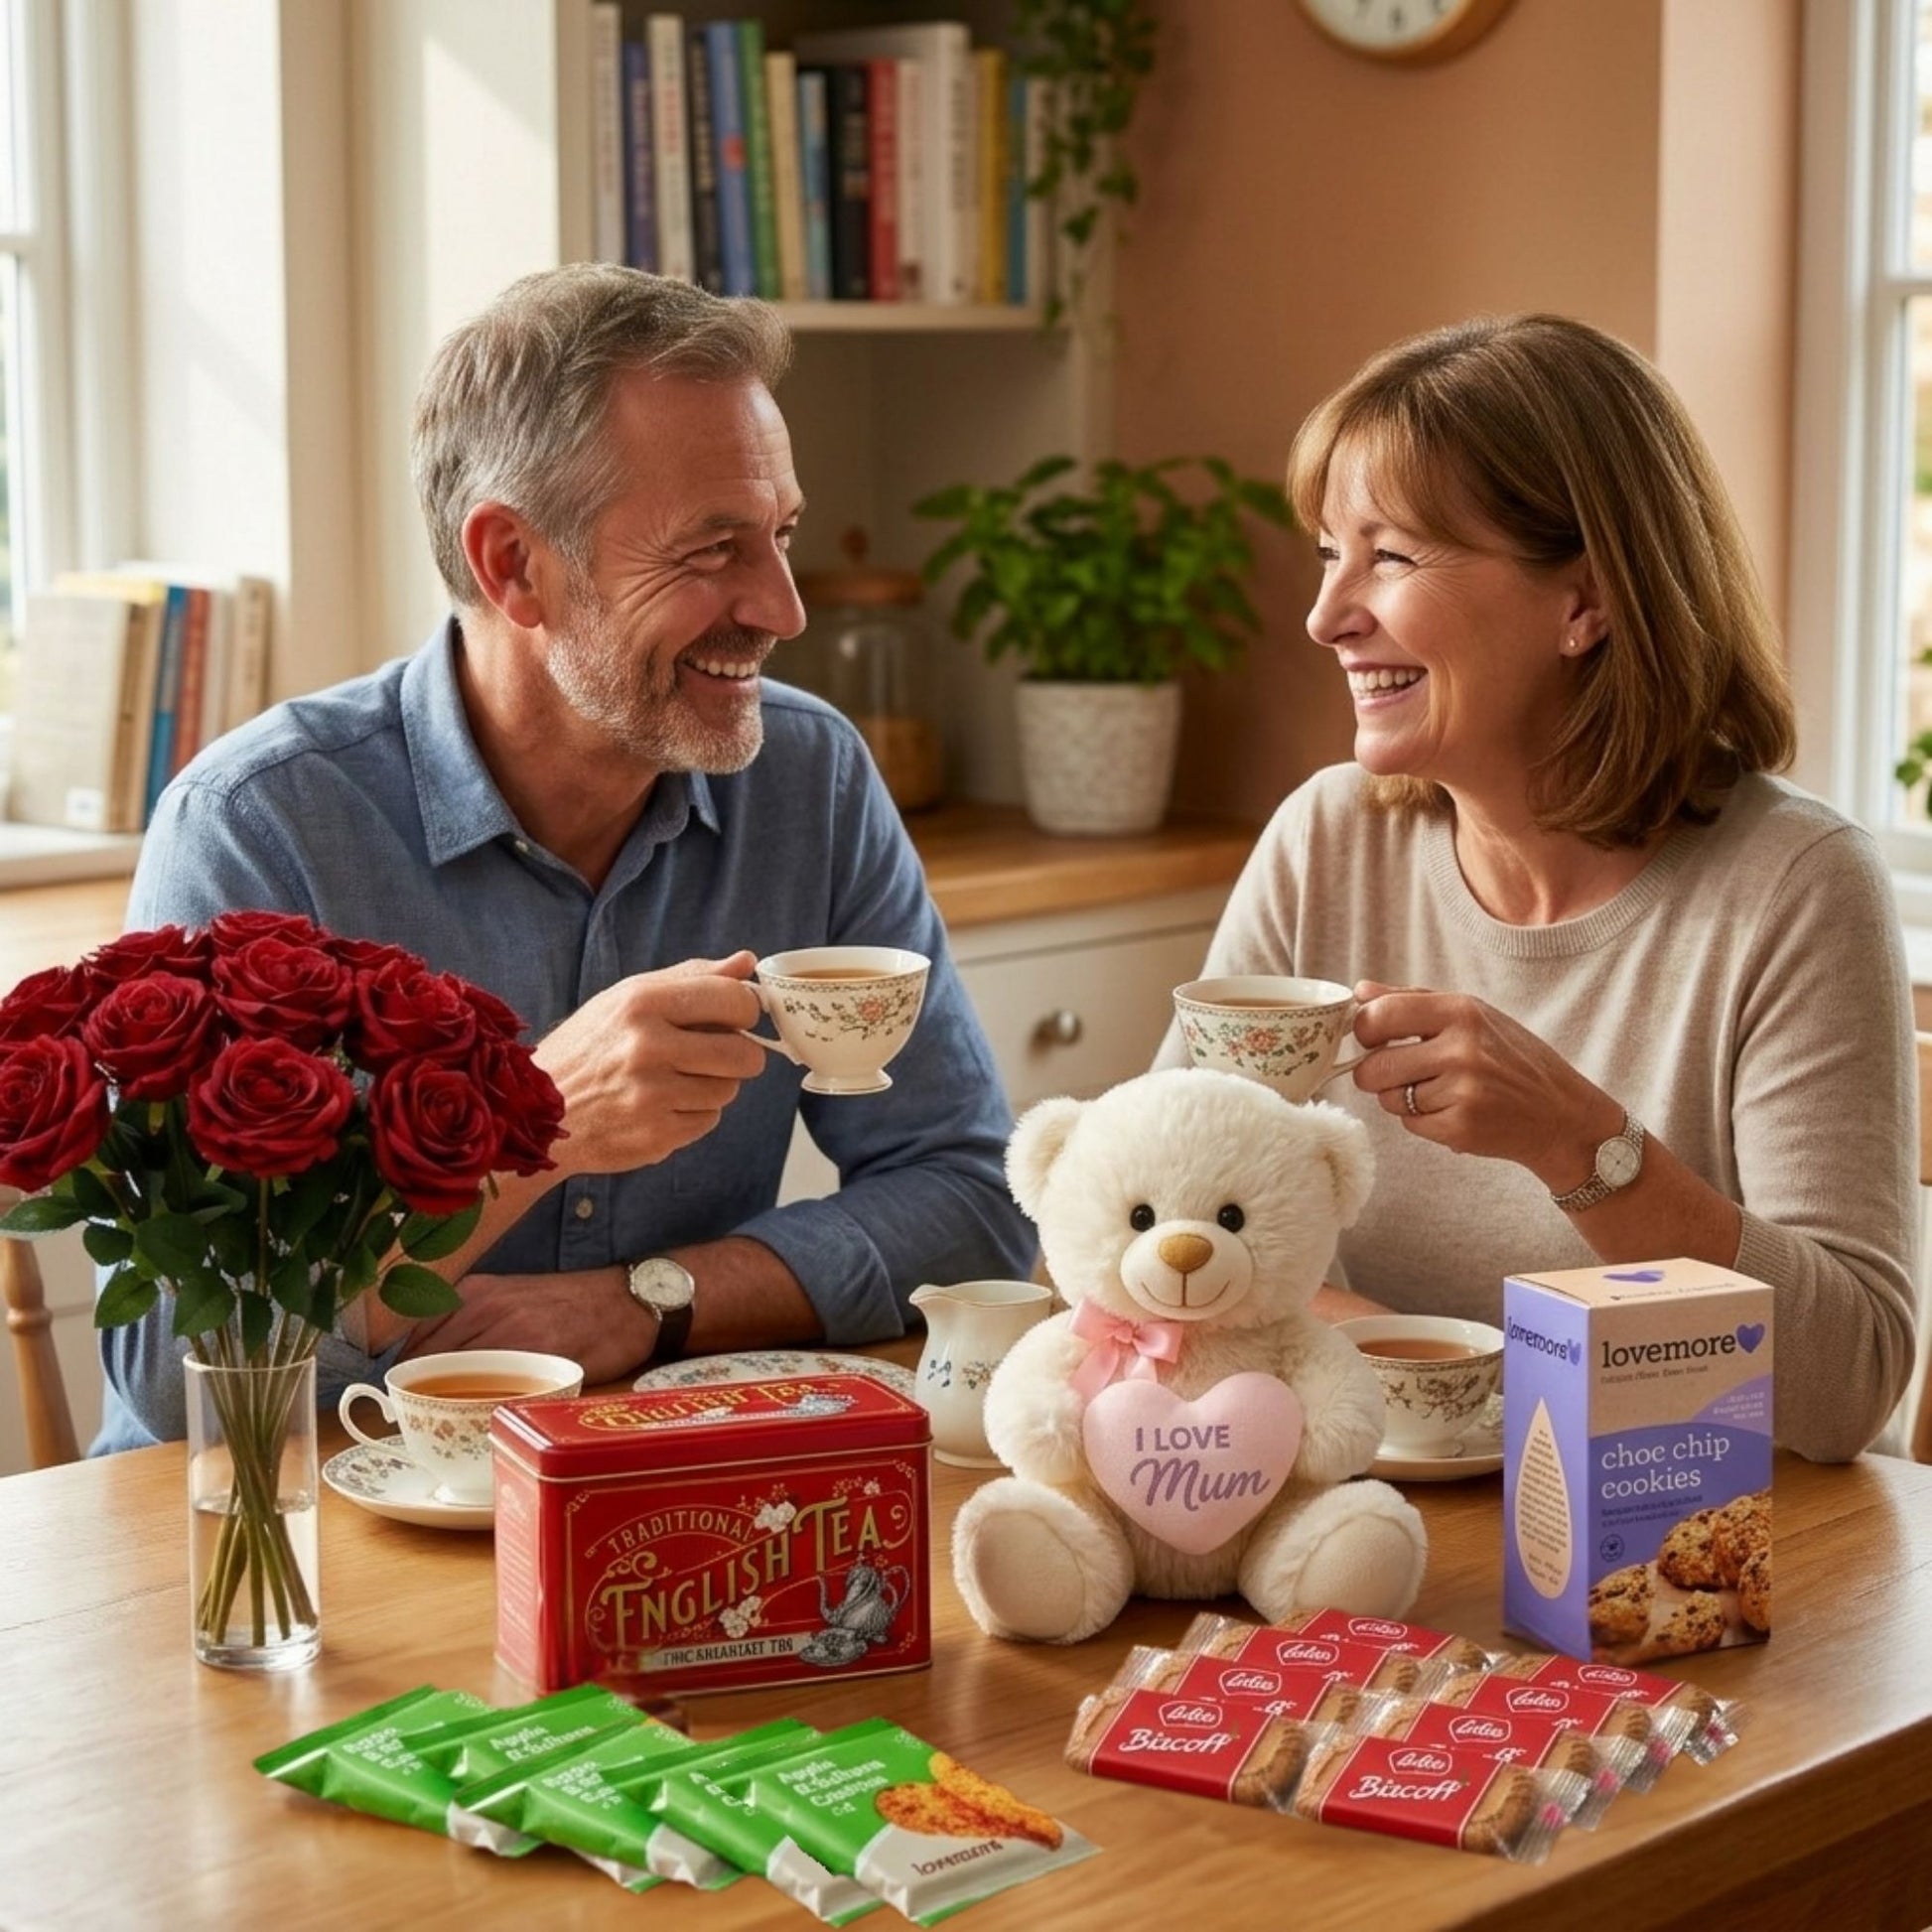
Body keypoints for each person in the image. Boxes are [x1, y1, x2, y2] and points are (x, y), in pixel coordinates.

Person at [94, 264, 1035, 1452]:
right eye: (711, 550)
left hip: (649, 1506)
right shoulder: (259, 827)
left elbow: (972, 1204)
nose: (785, 606)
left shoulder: (810, 780)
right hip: (284, 1548)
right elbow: (182, 1371)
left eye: (780, 534)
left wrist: (647, 1299)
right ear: (511, 565)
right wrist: (530, 1123)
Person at [1162, 314, 1917, 1463]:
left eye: (1391, 556)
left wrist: (1582, 1145)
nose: (1325, 616)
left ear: (1584, 602)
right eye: (1328, 552)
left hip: (1689, 1556)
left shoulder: (1794, 888)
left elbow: (1843, 1388)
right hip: (1373, 1507)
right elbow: (1149, 1218)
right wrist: (1418, 1359)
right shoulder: (1326, 838)